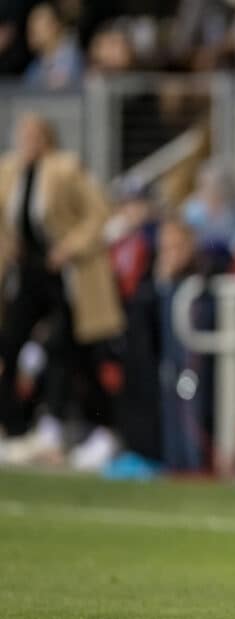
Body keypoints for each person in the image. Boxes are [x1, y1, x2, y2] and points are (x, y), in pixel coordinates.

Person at [0, 113, 124, 464]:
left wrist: (70, 247)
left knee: (70, 349)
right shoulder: (9, 170)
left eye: (33, 134)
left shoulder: (67, 168)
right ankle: (15, 427)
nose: (27, 141)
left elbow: (99, 213)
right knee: (9, 344)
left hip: (69, 274)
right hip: (26, 274)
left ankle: (71, 429)